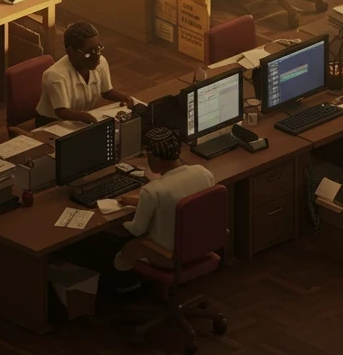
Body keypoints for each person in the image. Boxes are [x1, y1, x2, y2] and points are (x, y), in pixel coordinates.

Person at [112, 127, 215, 281]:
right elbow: (182, 202)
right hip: (202, 246)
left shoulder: (153, 191)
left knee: (117, 248)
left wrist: (118, 223)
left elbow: (136, 229)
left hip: (167, 256)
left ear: (155, 157)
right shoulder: (204, 173)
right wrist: (141, 203)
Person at [34, 21, 134, 126]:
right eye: (89, 52)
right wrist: (85, 117)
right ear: (70, 51)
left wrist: (124, 97)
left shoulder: (101, 62)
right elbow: (62, 112)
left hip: (81, 119)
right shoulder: (55, 75)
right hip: (53, 123)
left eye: (98, 49)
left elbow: (106, 92)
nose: (96, 57)